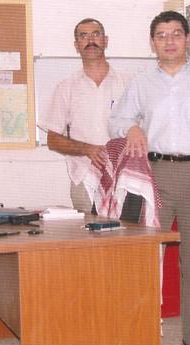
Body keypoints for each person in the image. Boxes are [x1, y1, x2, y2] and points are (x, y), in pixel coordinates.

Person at [109, 11, 190, 345]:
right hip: (156, 174)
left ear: (188, 39)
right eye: (161, 35)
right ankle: (137, 331)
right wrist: (131, 128)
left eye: (176, 34)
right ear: (152, 43)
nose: (169, 41)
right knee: (143, 260)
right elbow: (116, 119)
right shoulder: (140, 82)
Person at [39, 18, 130, 213]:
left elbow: (143, 130)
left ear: (106, 40)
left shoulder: (129, 83)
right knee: (91, 241)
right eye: (83, 36)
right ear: (76, 45)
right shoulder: (66, 87)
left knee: (128, 241)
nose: (90, 40)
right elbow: (53, 140)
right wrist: (87, 149)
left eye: (96, 34)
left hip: (126, 180)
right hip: (84, 179)